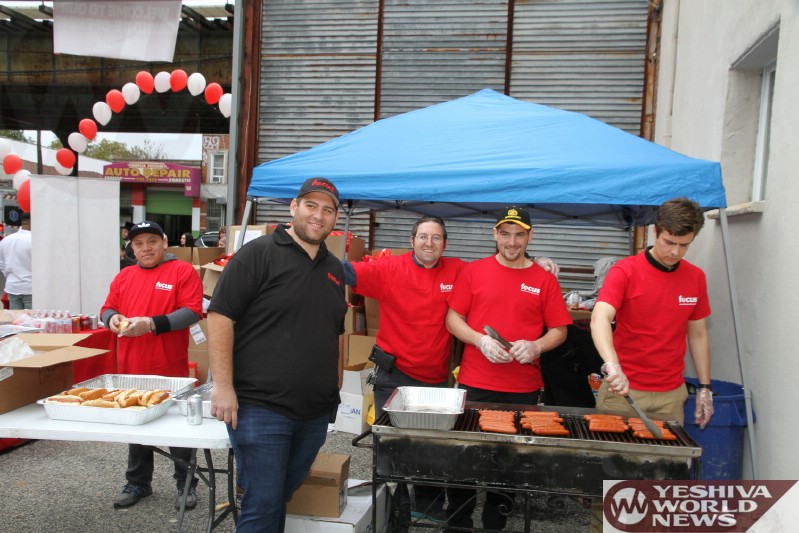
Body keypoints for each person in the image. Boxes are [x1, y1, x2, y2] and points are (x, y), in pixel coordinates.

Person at [208, 177, 347, 533]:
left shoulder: (334, 269)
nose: (318, 215)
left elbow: (336, 331)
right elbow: (220, 316)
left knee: (281, 494)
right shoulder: (258, 254)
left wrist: (335, 384)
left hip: (314, 413)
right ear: (294, 207)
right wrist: (222, 386)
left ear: (335, 219)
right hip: (261, 408)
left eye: (327, 210)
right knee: (263, 504)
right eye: (311, 205)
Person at [588, 198, 714, 531]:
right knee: (611, 484)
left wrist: (705, 387)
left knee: (662, 483)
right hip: (623, 394)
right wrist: (613, 365)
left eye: (684, 245)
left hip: (671, 396)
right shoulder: (626, 271)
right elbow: (600, 317)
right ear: (656, 232)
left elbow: (698, 334)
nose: (675, 252)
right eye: (669, 242)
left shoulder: (695, 278)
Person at [445, 206, 572, 530]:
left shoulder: (544, 280)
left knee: (508, 464)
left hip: (521, 390)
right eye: (505, 234)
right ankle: (458, 524)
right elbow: (452, 319)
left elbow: (560, 330)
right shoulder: (473, 272)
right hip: (475, 384)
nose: (512, 242)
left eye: (519, 235)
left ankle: (494, 525)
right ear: (495, 234)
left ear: (530, 236)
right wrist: (479, 340)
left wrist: (536, 346)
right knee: (464, 458)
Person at [100, 221, 204, 511]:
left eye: (152, 241)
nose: (145, 248)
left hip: (169, 369)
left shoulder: (182, 271)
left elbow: (192, 312)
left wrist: (150, 324)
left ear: (164, 243)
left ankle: (186, 483)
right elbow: (107, 308)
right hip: (132, 368)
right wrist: (112, 319)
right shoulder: (124, 276)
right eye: (138, 243)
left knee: (179, 431)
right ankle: (138, 482)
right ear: (131, 248)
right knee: (137, 428)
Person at [0, 212, 32, 309]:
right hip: (31, 288)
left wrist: (12, 277)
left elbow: (2, 265)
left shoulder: (6, 240)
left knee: (16, 317)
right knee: (32, 317)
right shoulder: (35, 240)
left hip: (12, 286)